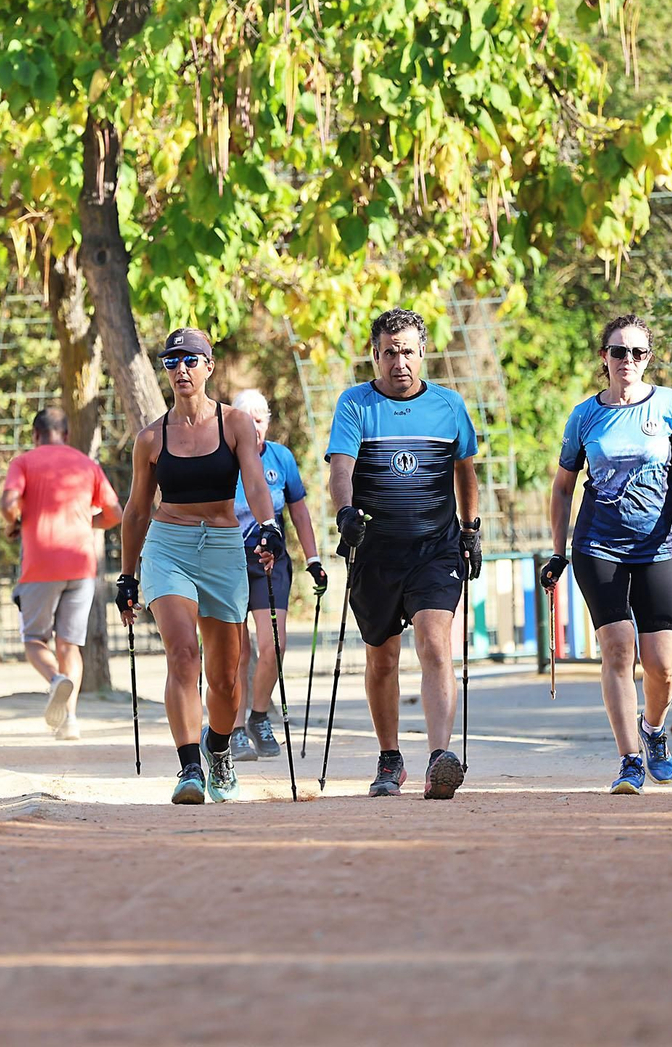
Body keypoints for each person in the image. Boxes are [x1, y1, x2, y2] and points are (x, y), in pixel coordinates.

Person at [540, 314, 672, 795]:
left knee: (663, 665)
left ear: (648, 358)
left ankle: (653, 730)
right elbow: (561, 489)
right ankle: (629, 760)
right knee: (618, 649)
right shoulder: (585, 416)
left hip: (660, 545)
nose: (628, 361)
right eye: (619, 352)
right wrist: (558, 552)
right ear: (604, 358)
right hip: (598, 545)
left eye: (638, 353)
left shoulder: (670, 405)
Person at [116, 328, 283, 805]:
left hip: (224, 547)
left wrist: (268, 526)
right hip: (168, 547)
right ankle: (190, 766)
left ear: (210, 366)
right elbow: (135, 511)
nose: (181, 369)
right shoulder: (151, 438)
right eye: (172, 362)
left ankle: (218, 750)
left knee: (228, 677)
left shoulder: (235, 425)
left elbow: (254, 482)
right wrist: (127, 577)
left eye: (191, 360)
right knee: (183, 654)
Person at [327, 308, 482, 799]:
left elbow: (465, 471)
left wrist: (470, 529)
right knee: (383, 660)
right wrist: (345, 512)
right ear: (375, 356)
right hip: (374, 553)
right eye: (390, 353)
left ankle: (440, 757)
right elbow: (341, 469)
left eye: (409, 351)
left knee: (436, 643)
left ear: (423, 354)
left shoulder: (449, 405)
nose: (400, 362)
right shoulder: (355, 404)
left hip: (434, 550)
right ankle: (390, 757)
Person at [0, 406, 123, 740]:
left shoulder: (23, 463)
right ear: (66, 435)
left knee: (34, 639)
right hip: (82, 565)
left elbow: (8, 502)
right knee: (70, 644)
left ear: (36, 435)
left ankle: (56, 680)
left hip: (41, 564)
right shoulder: (87, 465)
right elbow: (114, 513)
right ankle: (70, 722)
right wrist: (89, 522)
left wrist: (13, 524)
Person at [228, 388, 326, 762]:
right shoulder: (223, 460)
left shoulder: (281, 458)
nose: (255, 425)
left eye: (261, 417)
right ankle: (234, 729)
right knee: (237, 651)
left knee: (275, 644)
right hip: (230, 559)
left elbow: (299, 512)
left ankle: (258, 715)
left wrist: (313, 557)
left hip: (270, 559)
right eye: (247, 417)